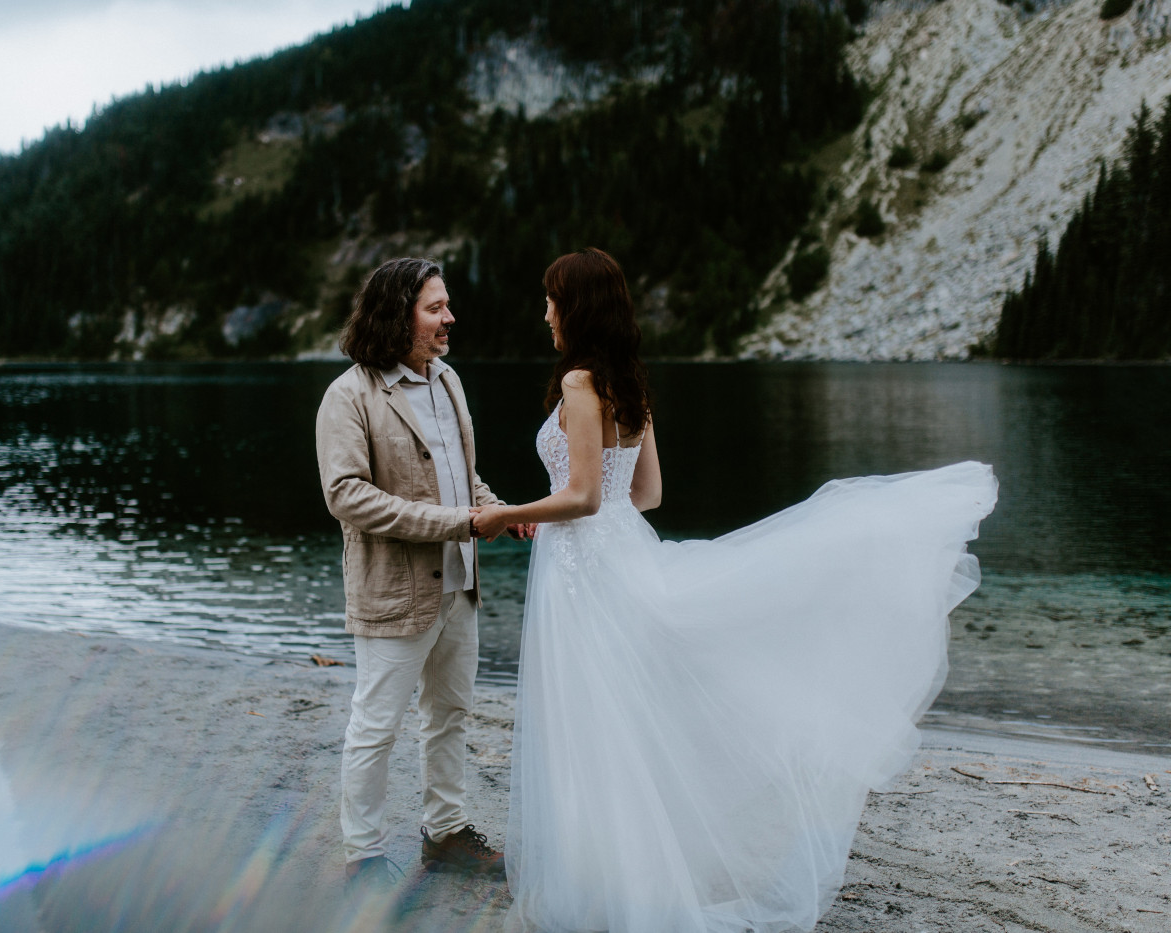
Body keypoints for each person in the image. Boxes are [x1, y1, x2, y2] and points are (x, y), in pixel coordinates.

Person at [470, 248, 998, 933]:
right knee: (618, 722)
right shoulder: (629, 384)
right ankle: (624, 877)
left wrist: (506, 515)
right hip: (617, 554)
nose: (543, 313)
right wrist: (559, 524)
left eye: (550, 300)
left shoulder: (578, 384)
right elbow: (648, 495)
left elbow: (581, 496)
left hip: (585, 574)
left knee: (591, 723)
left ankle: (601, 883)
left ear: (576, 306)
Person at [316, 257, 524, 895]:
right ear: (395, 314)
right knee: (376, 726)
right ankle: (363, 859)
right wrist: (455, 521)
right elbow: (346, 495)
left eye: (446, 305)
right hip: (394, 592)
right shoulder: (349, 395)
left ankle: (447, 835)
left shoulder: (449, 381)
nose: (449, 318)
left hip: (460, 582)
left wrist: (498, 510)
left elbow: (463, 474)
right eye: (435, 308)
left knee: (451, 713)